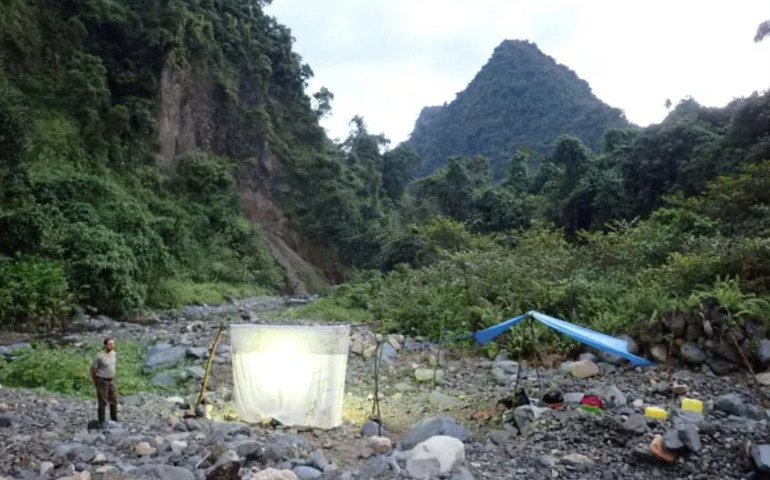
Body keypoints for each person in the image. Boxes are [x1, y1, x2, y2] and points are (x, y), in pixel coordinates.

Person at [91, 337, 118, 425]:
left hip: (111, 380)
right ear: (105, 345)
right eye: (110, 344)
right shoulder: (99, 356)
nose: (112, 346)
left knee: (114, 399)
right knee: (103, 401)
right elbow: (93, 369)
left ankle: (114, 419)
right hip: (102, 380)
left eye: (113, 344)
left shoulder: (114, 354)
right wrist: (95, 380)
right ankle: (101, 421)